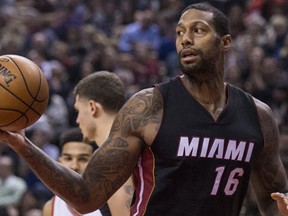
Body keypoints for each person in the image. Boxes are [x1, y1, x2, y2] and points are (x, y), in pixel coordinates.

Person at [1, 2, 288, 216]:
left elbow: (273, 201)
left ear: (225, 42)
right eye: (179, 32)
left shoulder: (258, 116)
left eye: (198, 30)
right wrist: (23, 145)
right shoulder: (149, 106)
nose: (185, 39)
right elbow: (86, 195)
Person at [42, 127, 103, 215]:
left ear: (96, 162)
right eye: (68, 158)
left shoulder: (111, 202)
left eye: (83, 159)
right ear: (60, 162)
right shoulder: (51, 207)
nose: (74, 166)